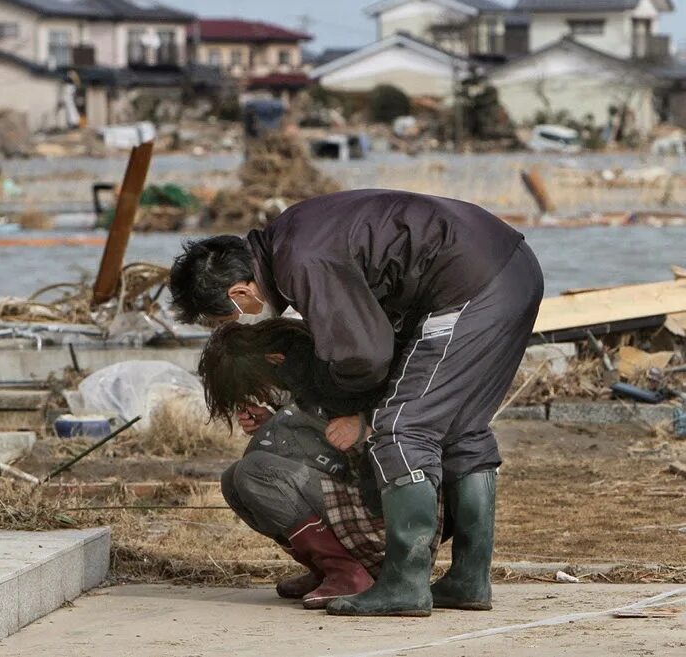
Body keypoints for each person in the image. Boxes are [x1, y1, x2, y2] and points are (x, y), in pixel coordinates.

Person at [169, 189, 543, 617]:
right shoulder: (293, 236)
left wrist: (359, 412)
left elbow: (365, 354)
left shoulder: (302, 261)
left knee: (403, 429)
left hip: (471, 284)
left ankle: (405, 583)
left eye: (230, 314)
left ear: (240, 290)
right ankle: (468, 578)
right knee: (462, 429)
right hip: (509, 268)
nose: (241, 320)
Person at [199, 318, 405, 609]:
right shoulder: (306, 375)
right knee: (232, 480)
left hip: (385, 513)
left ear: (273, 358)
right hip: (364, 500)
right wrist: (271, 422)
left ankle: (348, 572)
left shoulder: (331, 371)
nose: (258, 394)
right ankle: (327, 569)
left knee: (253, 472)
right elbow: (316, 439)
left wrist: (276, 428)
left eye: (255, 386)